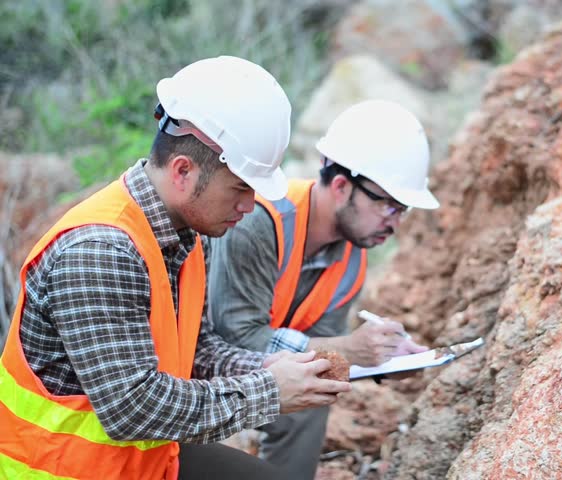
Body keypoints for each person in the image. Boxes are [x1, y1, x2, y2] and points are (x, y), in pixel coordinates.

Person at [0, 56, 351, 480]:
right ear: (183, 170)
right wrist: (270, 391)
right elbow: (132, 409)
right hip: (65, 469)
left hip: (141, 461)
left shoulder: (185, 233)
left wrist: (268, 369)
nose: (248, 206)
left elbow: (198, 351)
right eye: (240, 188)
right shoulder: (100, 251)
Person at [206, 99, 440, 479]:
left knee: (316, 390)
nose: (396, 224)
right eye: (389, 206)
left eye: (403, 211)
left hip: (252, 369)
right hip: (192, 367)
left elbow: (323, 352)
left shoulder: (352, 256)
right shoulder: (260, 221)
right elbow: (236, 335)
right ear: (343, 186)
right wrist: (350, 350)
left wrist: (384, 360)